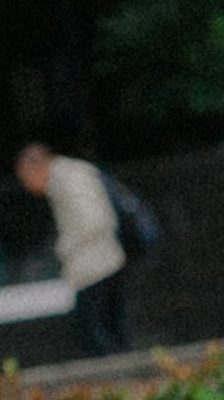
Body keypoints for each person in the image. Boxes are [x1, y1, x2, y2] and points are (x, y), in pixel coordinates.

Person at [17, 137, 140, 358]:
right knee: (113, 331)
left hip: (96, 267)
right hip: (102, 262)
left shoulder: (68, 178)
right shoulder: (66, 177)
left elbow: (95, 220)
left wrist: (63, 248)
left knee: (95, 332)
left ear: (33, 168)